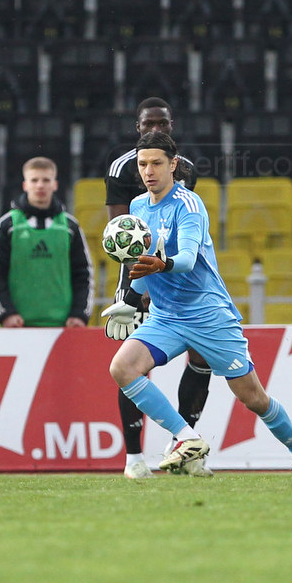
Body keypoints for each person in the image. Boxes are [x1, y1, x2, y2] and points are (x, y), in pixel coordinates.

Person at [102, 130, 292, 478]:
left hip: (208, 315)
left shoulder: (189, 205)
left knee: (254, 398)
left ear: (173, 165)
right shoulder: (138, 206)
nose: (149, 171)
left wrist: (161, 265)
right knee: (122, 368)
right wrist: (130, 299)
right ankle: (187, 438)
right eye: (143, 164)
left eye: (156, 163)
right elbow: (143, 263)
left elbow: (187, 259)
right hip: (166, 316)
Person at [105, 97, 213, 479]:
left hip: (178, 278)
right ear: (137, 127)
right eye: (149, 123)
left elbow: (181, 230)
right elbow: (122, 236)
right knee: (134, 362)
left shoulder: (184, 169)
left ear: (172, 127)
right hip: (137, 274)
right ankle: (134, 457)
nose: (156, 129)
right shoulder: (121, 169)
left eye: (163, 124)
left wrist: (167, 272)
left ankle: (182, 446)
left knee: (201, 357)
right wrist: (138, 289)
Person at [0, 157, 91, 329]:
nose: (40, 185)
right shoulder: (7, 225)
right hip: (17, 326)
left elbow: (84, 274)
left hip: (64, 326)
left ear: (55, 185)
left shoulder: (70, 226)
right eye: (34, 180)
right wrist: (6, 313)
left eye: (46, 180)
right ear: (25, 185)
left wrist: (79, 314)